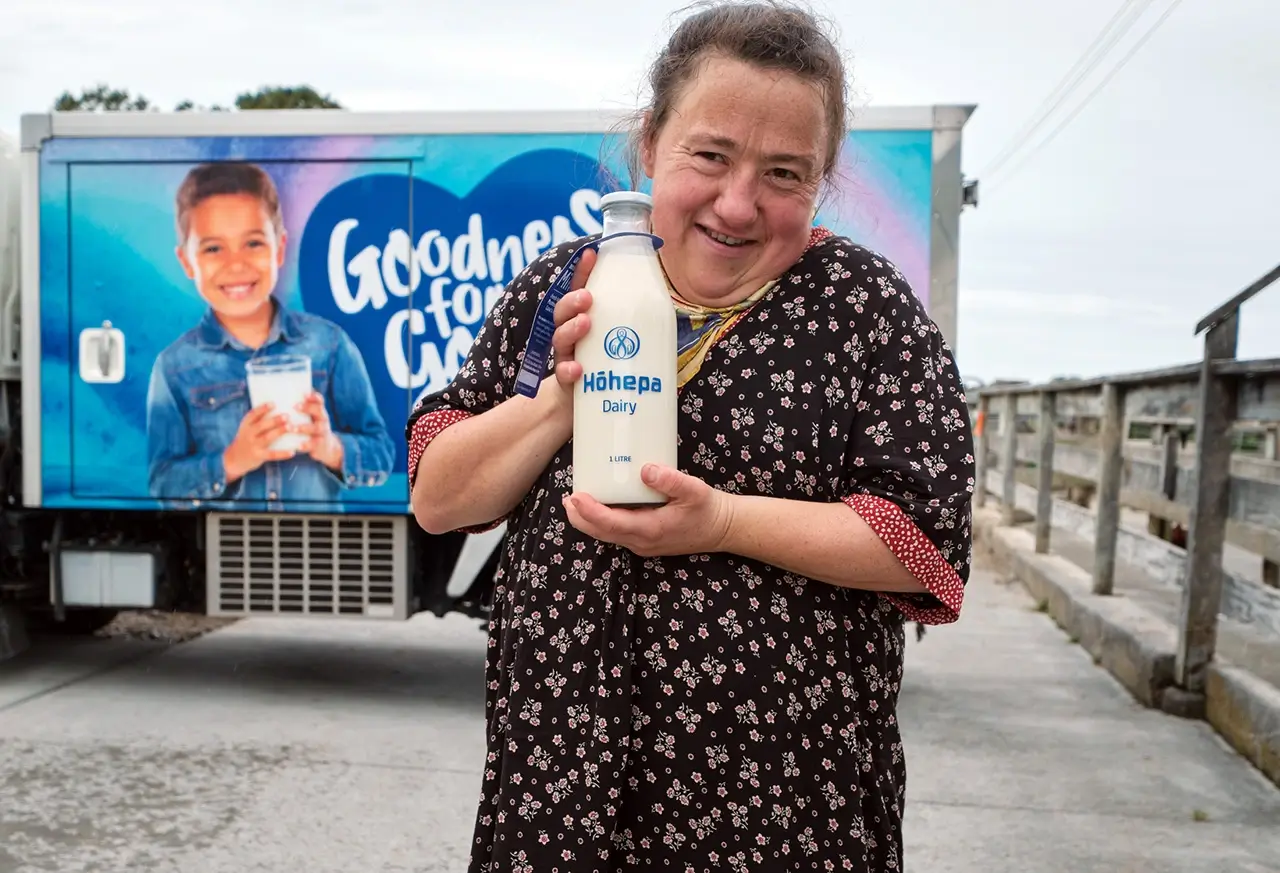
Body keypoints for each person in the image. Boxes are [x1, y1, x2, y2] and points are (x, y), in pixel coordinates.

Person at [408, 2, 975, 869]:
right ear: (650, 143)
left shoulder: (862, 307)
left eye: (785, 174)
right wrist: (563, 396)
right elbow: (441, 498)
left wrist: (723, 523)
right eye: (710, 155)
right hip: (563, 791)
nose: (738, 202)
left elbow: (924, 546)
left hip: (784, 805)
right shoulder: (566, 284)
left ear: (822, 181)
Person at [147, 161, 395, 510]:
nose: (236, 264)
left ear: (279, 249)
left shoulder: (329, 345)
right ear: (186, 262)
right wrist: (232, 460)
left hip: (318, 544)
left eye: (253, 243)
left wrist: (330, 447)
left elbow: (382, 456)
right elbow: (163, 482)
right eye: (213, 248)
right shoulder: (175, 367)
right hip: (227, 547)